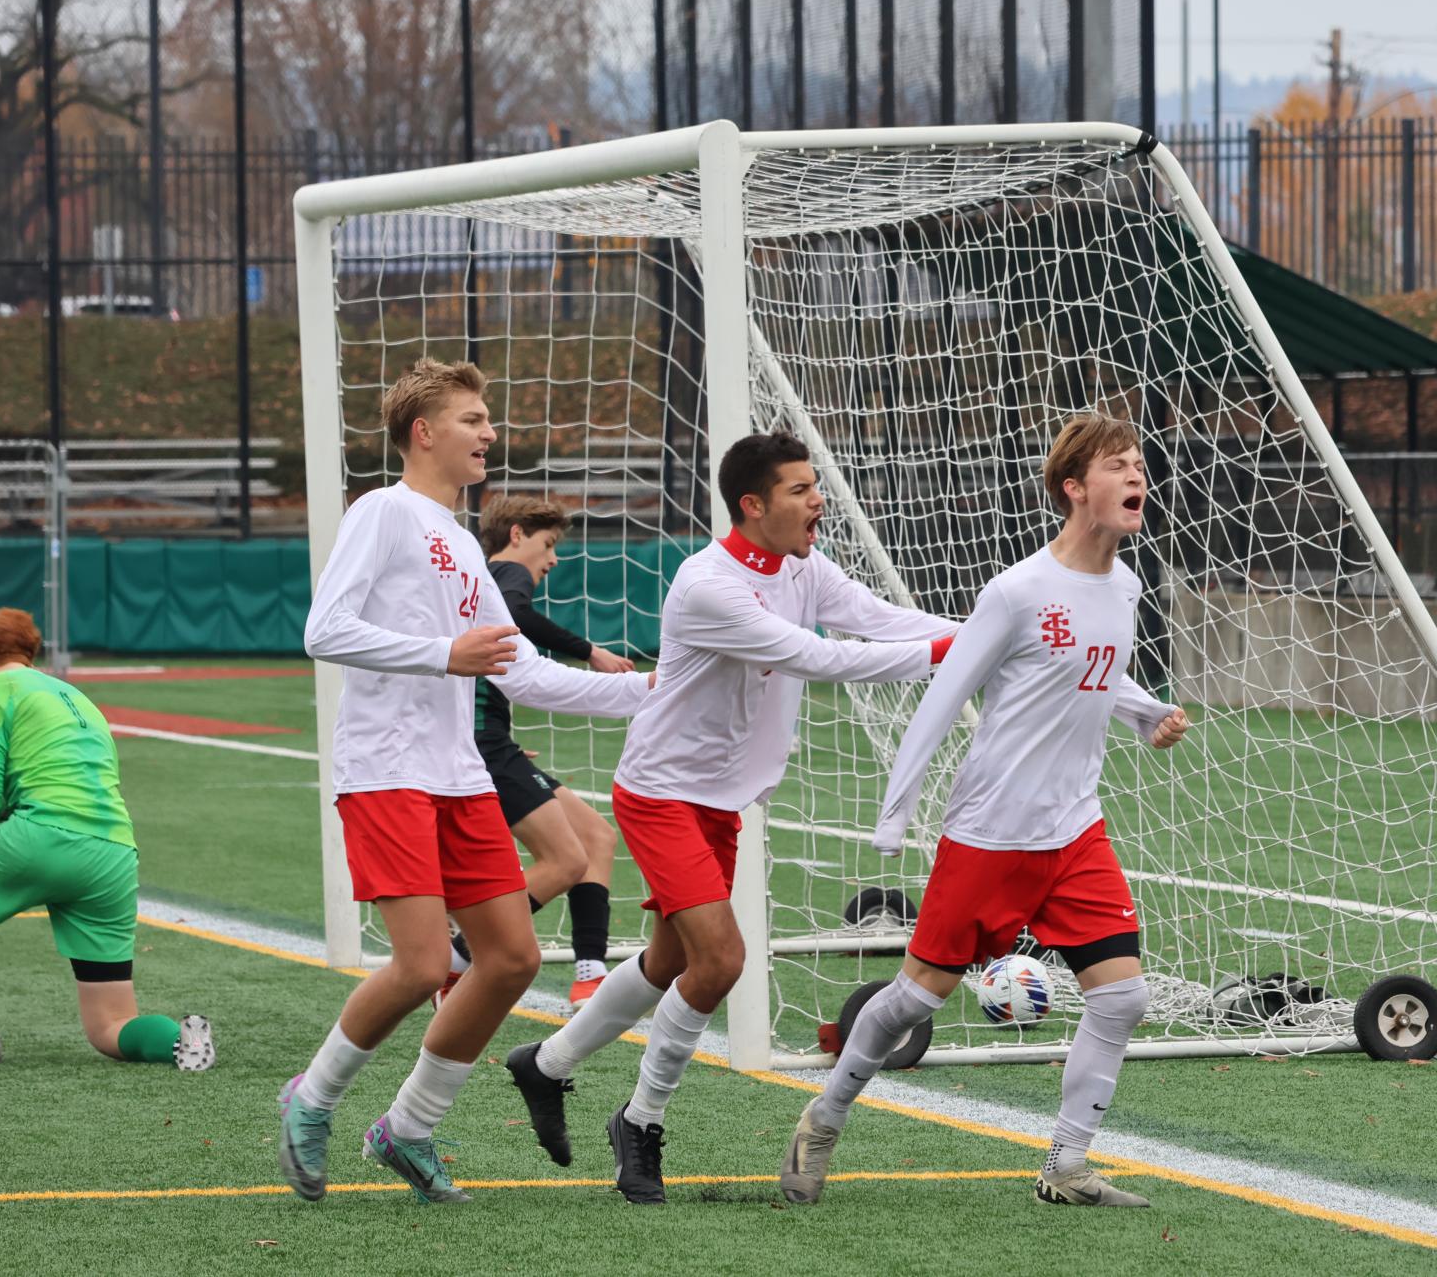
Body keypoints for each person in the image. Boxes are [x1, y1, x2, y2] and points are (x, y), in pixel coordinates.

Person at [505, 430, 957, 1205]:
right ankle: (639, 1122)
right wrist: (967, 649)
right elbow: (825, 658)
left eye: (816, 486)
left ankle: (543, 1064)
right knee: (718, 962)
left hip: (719, 801)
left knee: (667, 964)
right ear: (752, 505)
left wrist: (986, 627)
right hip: (661, 793)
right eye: (799, 490)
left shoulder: (804, 566)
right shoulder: (709, 585)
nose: (818, 501)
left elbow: (879, 621)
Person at [779, 414, 1191, 1209]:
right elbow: (943, 699)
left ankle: (1065, 1168)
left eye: (1140, 463)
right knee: (913, 1000)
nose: (1137, 476)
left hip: (1074, 828)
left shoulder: (1128, 585)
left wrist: (1148, 716)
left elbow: (1095, 679)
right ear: (1075, 488)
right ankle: (824, 1116)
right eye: (1118, 465)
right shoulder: (1017, 590)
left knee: (1120, 996)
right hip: (990, 834)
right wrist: (893, 817)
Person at [280, 358, 652, 1205]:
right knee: (417, 967)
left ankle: (407, 1128)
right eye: (473, 419)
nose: (489, 433)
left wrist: (646, 691)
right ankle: (313, 1096)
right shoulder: (383, 511)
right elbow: (323, 629)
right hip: (386, 773)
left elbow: (524, 675)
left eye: (487, 420)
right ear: (424, 432)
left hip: (458, 776)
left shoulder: (460, 542)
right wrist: (439, 654)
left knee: (512, 958)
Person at [0, 607, 214, 1072]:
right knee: (110, 1028)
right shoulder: (76, 695)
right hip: (113, 855)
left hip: (44, 838)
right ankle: (180, 1041)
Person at [434, 493, 636, 1011]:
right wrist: (589, 650)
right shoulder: (506, 575)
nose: (553, 559)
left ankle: (589, 973)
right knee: (566, 858)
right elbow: (519, 619)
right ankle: (457, 963)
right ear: (517, 534)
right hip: (483, 745)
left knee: (595, 837)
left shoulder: (480, 581)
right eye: (548, 544)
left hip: (490, 741)